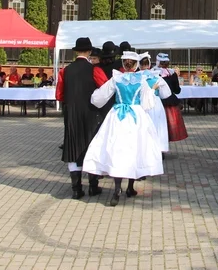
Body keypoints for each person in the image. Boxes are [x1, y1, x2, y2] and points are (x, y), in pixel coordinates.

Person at [84, 51, 164, 207]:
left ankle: (117, 189)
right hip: (136, 116)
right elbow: (148, 102)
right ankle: (130, 187)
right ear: (136, 65)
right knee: (135, 149)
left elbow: (98, 97)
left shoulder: (116, 79)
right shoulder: (141, 80)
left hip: (117, 116)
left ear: (123, 64)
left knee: (117, 149)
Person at [57, 37, 109, 199]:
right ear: (89, 51)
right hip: (91, 113)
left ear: (76, 51)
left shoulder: (65, 70)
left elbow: (59, 94)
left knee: (73, 147)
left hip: (72, 113)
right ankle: (93, 186)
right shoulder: (94, 69)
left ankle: (76, 189)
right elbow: (106, 88)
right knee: (91, 146)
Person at [138, 52, 172, 153]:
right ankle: (159, 148)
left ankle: (143, 149)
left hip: (140, 103)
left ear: (139, 65)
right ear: (149, 64)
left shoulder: (135, 77)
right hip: (155, 102)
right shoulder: (156, 77)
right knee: (158, 125)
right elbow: (166, 94)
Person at [156, 53, 188, 143]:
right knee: (170, 125)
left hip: (158, 102)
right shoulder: (172, 73)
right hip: (170, 103)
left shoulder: (154, 73)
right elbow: (177, 90)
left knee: (159, 125)